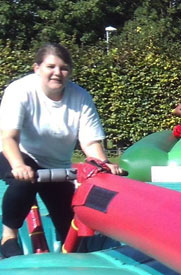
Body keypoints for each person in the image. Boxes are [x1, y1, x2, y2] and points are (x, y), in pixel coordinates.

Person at [0, 43, 124, 257]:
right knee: (23, 184)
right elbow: (9, 137)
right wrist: (19, 165)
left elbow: (90, 142)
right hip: (20, 153)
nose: (57, 73)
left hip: (56, 165)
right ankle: (8, 234)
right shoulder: (20, 90)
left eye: (64, 68)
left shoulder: (80, 97)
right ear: (37, 68)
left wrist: (103, 166)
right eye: (51, 66)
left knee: (69, 224)